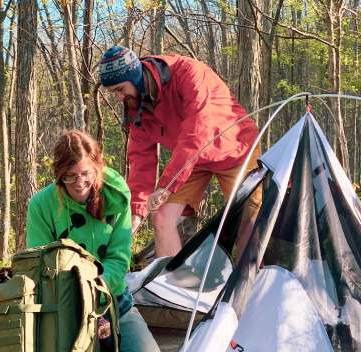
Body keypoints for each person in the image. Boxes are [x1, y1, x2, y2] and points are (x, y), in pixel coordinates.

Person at [98, 46, 261, 258]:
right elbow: (141, 161)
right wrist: (136, 212)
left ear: (135, 76)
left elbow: (196, 133)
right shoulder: (136, 106)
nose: (119, 97)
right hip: (192, 162)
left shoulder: (188, 73)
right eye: (114, 93)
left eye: (120, 89)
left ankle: (253, 283)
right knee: (162, 217)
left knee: (248, 220)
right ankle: (170, 286)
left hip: (236, 150)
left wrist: (167, 186)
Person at [26, 130, 163, 352]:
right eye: (70, 177)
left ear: (97, 168)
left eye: (85, 174)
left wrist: (98, 294)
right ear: (59, 176)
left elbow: (118, 258)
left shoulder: (116, 194)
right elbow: (40, 266)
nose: (79, 184)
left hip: (113, 300)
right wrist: (82, 302)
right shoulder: (42, 205)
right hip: (66, 308)